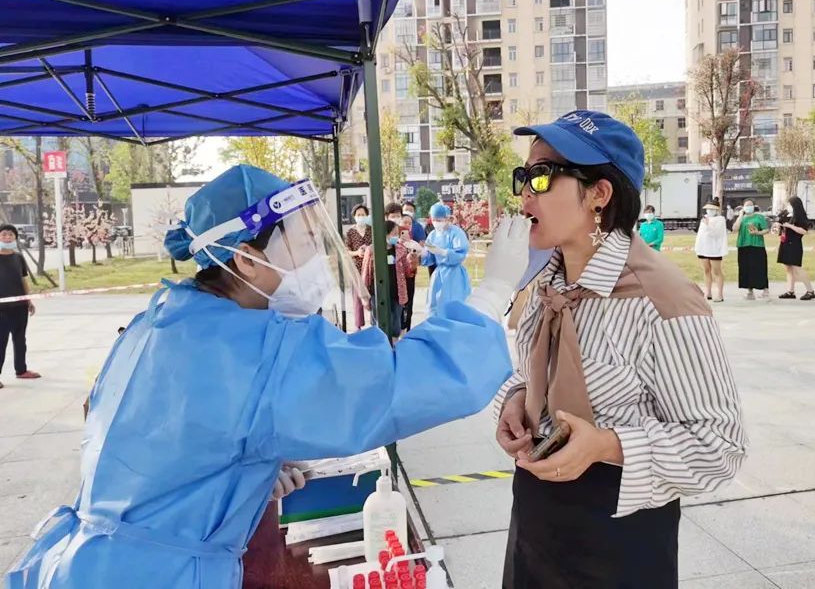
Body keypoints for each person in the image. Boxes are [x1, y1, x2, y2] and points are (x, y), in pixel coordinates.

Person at [7, 164, 531, 589]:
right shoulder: (248, 348)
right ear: (245, 259)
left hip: (84, 563)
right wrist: (491, 295)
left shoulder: (163, 321)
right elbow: (391, 385)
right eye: (302, 241)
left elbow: (146, 438)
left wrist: (235, 467)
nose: (316, 257)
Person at [494, 111, 746, 588]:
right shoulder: (544, 280)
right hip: (533, 527)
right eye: (523, 176)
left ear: (599, 194)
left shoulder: (662, 298)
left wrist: (607, 445)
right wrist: (514, 400)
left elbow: (721, 446)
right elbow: (532, 375)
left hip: (618, 544)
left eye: (542, 175)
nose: (525, 192)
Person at [0, 224, 40, 389]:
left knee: (20, 339)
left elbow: (23, 279)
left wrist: (28, 300)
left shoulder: (18, 257)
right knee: (1, 342)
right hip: (2, 308)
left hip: (19, 306)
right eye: (3, 234)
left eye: (11, 235)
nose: (7, 238)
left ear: (15, 238)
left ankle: (21, 370)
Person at [420, 202, 471, 316]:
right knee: (435, 305)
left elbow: (461, 253)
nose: (436, 222)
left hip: (454, 274)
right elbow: (429, 258)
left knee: (454, 305)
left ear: (447, 218)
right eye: (434, 220)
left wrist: (444, 252)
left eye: (439, 220)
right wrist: (421, 253)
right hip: (439, 274)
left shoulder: (456, 233)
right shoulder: (433, 235)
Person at [362, 220, 408, 340]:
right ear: (385, 234)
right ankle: (380, 347)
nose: (396, 236)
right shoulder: (371, 250)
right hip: (377, 293)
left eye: (397, 234)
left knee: (395, 326)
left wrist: (412, 258)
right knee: (379, 324)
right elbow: (366, 274)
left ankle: (393, 346)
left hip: (396, 293)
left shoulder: (400, 249)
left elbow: (407, 270)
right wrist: (365, 297)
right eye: (394, 233)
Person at [775, 197, 815, 301]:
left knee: (797, 268)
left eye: (790, 204)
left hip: (794, 244)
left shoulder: (800, 217)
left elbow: (804, 231)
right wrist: (779, 227)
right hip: (785, 243)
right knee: (788, 268)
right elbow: (782, 228)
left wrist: (790, 226)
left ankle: (810, 291)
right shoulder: (786, 215)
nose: (788, 206)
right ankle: (790, 291)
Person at [733, 198, 770, 300]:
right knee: (746, 269)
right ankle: (750, 291)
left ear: (754, 206)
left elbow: (766, 229)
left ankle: (765, 290)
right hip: (743, 245)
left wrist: (758, 232)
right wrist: (740, 215)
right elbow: (735, 229)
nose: (748, 207)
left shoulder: (759, 217)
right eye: (746, 205)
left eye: (750, 205)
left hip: (757, 245)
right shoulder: (742, 218)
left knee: (760, 268)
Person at [694, 197, 728, 302]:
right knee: (706, 270)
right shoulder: (704, 218)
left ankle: (720, 294)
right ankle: (708, 292)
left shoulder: (720, 220)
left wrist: (708, 224)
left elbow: (716, 233)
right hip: (703, 248)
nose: (709, 211)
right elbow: (701, 234)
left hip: (714, 249)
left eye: (712, 209)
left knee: (717, 271)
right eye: (708, 209)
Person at [344, 204, 372, 330]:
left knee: (372, 294)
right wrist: (357, 253)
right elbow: (346, 251)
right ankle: (358, 325)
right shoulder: (350, 232)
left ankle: (374, 322)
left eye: (363, 214)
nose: (361, 217)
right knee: (357, 296)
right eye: (358, 215)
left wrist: (368, 251)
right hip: (356, 267)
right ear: (354, 216)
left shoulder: (372, 230)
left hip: (370, 267)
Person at [400, 214, 420, 331]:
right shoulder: (395, 241)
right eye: (404, 222)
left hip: (410, 276)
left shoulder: (413, 242)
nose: (407, 225)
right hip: (398, 276)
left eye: (409, 223)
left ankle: (407, 328)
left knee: (409, 304)